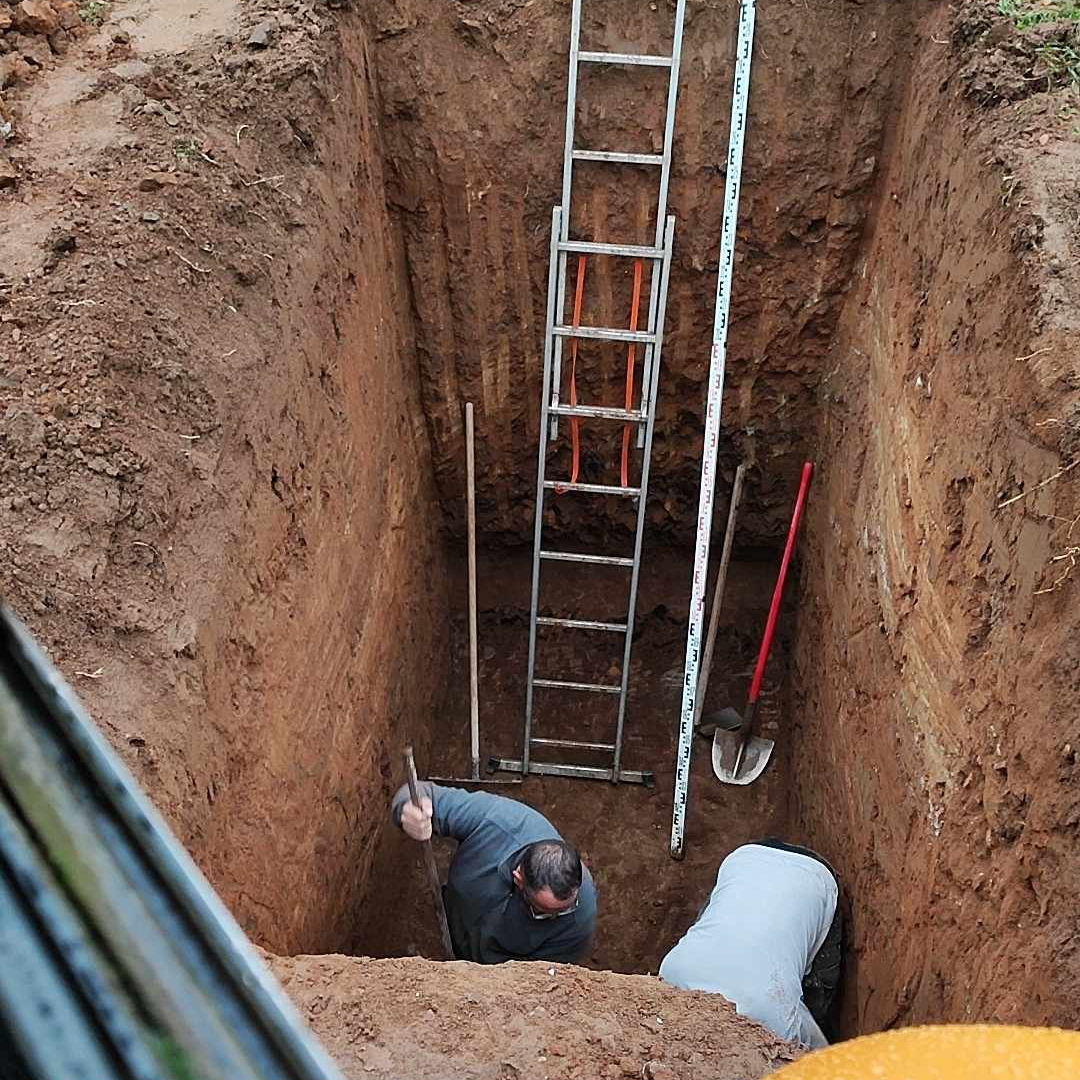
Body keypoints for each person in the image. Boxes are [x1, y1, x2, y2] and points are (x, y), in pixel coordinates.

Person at [659, 839, 842, 1048]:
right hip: (745, 859)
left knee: (816, 995)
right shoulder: (670, 975)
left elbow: (816, 1052)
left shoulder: (777, 1021)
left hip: (817, 877)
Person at [391, 782, 596, 964]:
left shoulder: (579, 919)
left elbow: (538, 979)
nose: (556, 917)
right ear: (519, 878)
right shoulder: (496, 821)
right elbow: (422, 793)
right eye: (542, 912)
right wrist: (407, 809)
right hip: (454, 922)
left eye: (563, 910)